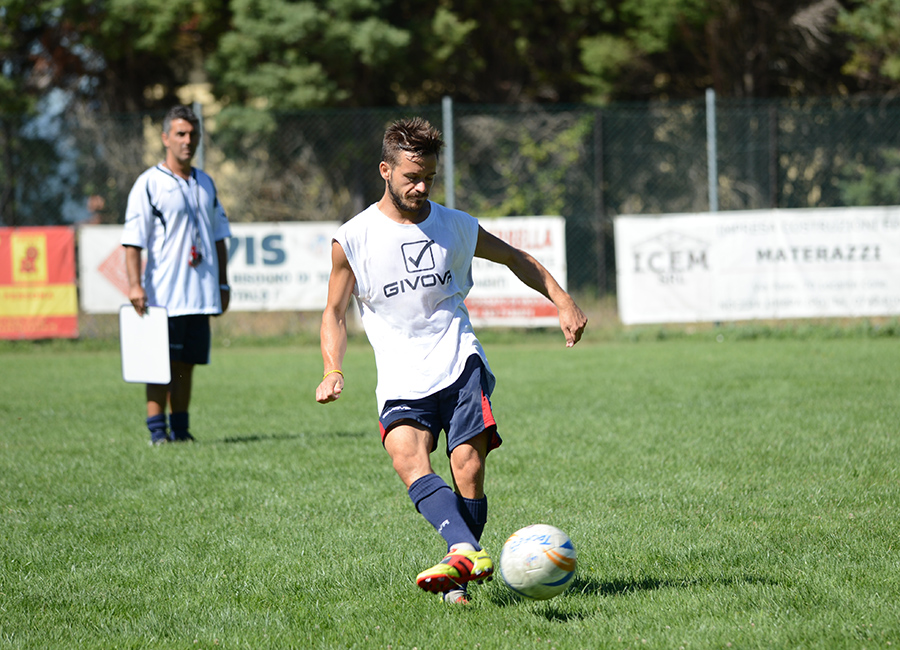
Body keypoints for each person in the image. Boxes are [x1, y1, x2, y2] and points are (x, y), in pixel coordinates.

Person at [316, 117, 587, 604]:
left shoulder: (455, 226)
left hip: (459, 360)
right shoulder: (352, 239)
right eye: (410, 178)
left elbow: (516, 258)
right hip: (400, 374)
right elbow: (334, 313)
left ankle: (459, 570)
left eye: (429, 179)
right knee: (407, 458)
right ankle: (464, 549)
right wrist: (332, 368)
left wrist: (561, 300)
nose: (421, 188)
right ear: (385, 170)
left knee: (467, 467)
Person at [122, 105, 232, 445]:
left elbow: (218, 236)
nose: (188, 141)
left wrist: (223, 281)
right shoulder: (149, 183)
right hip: (163, 294)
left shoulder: (205, 182)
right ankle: (157, 431)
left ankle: (181, 430)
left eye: (193, 134)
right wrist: (135, 284)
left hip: (200, 293)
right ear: (165, 137)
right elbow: (133, 240)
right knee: (159, 365)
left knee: (187, 364)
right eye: (180, 134)